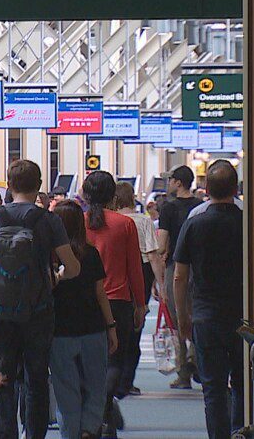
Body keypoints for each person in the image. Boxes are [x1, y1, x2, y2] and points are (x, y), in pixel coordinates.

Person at [0, 159, 81, 439]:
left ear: (9, 186)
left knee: (0, 378)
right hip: (38, 311)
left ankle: (4, 433)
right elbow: (73, 268)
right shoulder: (49, 220)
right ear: (40, 186)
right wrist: (55, 277)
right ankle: (34, 434)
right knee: (36, 379)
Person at [173, 162, 244, 439]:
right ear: (236, 188)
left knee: (213, 389)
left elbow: (180, 277)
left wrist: (183, 318)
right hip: (243, 316)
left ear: (206, 189)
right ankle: (241, 432)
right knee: (241, 384)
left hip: (205, 315)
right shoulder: (248, 222)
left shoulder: (194, 223)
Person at [81, 171, 145, 439]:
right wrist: (140, 305)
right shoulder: (124, 224)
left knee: (86, 363)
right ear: (113, 196)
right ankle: (106, 407)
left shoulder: (78, 223)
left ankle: (97, 414)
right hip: (118, 301)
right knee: (115, 360)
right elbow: (134, 269)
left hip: (84, 303)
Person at [50, 200, 118, 439]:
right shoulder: (90, 253)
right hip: (92, 328)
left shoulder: (50, 257)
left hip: (59, 332)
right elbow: (101, 293)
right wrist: (111, 326)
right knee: (95, 385)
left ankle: (70, 433)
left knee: (65, 390)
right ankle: (89, 429)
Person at [156, 165, 203, 390]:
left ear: (178, 183)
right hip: (199, 268)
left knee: (177, 319)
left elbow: (162, 244)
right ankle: (197, 360)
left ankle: (184, 371)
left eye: (171, 180)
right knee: (197, 314)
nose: (168, 183)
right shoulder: (201, 207)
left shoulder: (168, 209)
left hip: (176, 267)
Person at [113, 182, 159, 398]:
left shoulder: (110, 221)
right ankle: (127, 380)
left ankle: (113, 377)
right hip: (141, 271)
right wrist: (160, 282)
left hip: (117, 271)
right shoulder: (143, 221)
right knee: (136, 327)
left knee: (117, 324)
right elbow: (152, 254)